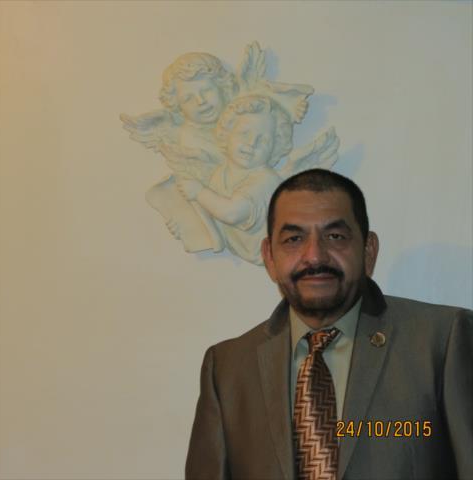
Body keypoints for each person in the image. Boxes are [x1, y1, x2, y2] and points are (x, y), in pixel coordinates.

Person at [185, 168, 473, 480]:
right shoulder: (227, 369)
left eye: (335, 236)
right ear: (269, 256)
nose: (314, 256)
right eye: (294, 239)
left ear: (368, 250)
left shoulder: (443, 341)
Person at [176, 95, 292, 265]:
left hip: (264, 255)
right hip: (231, 257)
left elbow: (231, 214)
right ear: (227, 134)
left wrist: (198, 192)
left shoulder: (266, 180)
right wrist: (184, 222)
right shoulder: (221, 173)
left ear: (275, 148)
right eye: (244, 133)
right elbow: (212, 213)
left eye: (263, 140)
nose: (251, 143)